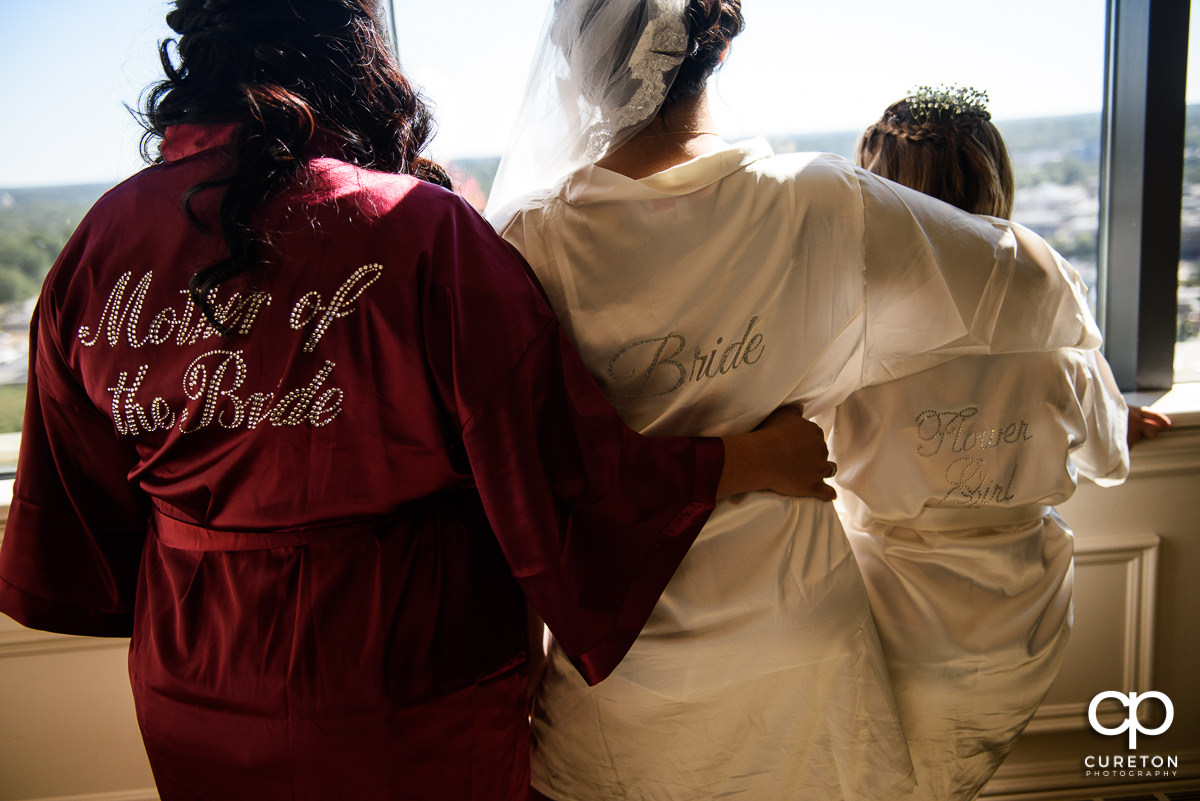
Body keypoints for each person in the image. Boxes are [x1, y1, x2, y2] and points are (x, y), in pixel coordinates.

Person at [0, 2, 840, 800]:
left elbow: (78, 501)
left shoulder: (99, 244)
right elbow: (559, 467)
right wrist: (749, 458)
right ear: (355, 53)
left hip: (195, 675)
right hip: (405, 678)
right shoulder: (420, 231)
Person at [488, 3, 1106, 800]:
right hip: (797, 643)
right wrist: (1091, 383)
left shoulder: (530, 238)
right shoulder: (816, 202)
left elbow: (519, 478)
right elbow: (1029, 287)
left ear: (575, 63)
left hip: (625, 672)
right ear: (722, 42)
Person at [822, 85, 1172, 801]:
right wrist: (1103, 409)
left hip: (889, 612)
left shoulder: (851, 311)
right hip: (1021, 624)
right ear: (996, 177)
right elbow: (1105, 458)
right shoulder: (1048, 284)